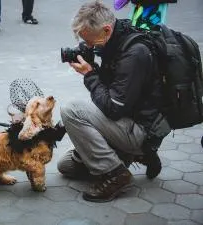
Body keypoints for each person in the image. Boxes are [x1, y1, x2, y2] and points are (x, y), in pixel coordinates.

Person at [57, 1, 167, 202]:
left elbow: (113, 108)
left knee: (71, 110)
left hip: (139, 129)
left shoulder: (134, 53)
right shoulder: (115, 41)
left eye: (90, 42)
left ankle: (116, 174)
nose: (88, 47)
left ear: (106, 29)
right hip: (125, 120)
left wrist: (90, 75)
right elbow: (111, 94)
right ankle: (133, 155)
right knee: (66, 166)